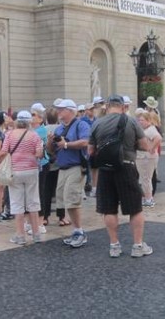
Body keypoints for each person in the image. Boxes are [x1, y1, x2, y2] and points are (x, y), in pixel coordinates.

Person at [89, 95, 153, 258]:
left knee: (109, 209)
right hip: (126, 166)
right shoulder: (130, 121)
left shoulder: (97, 123)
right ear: (123, 106)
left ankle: (114, 245)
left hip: (105, 170)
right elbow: (145, 146)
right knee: (135, 209)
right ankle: (138, 246)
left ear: (108, 106)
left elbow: (90, 151)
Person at [47, 99, 90, 248]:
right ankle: (76, 231)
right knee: (64, 200)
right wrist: (50, 142)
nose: (58, 112)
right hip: (63, 167)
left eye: (61, 109)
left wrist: (66, 144)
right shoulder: (59, 129)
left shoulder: (81, 125)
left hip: (76, 167)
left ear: (71, 111)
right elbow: (52, 151)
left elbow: (86, 142)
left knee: (72, 199)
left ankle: (79, 232)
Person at [0, 111, 44, 245]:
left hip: (16, 171)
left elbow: (4, 152)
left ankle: (20, 235)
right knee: (33, 202)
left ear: (17, 121)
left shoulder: (9, 134)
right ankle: (36, 234)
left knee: (17, 203)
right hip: (32, 170)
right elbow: (39, 154)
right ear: (29, 122)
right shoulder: (34, 135)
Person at [42, 106, 69, 226]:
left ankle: (45, 216)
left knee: (46, 191)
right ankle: (61, 217)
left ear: (46, 118)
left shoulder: (42, 130)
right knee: (60, 191)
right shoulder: (60, 128)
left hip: (46, 163)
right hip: (59, 163)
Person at [135, 111, 162, 207]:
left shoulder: (150, 129)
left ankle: (148, 199)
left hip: (146, 157)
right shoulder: (146, 129)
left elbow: (158, 138)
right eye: (139, 120)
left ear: (148, 121)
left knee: (146, 178)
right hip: (142, 157)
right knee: (144, 178)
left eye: (142, 120)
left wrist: (152, 148)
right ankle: (146, 197)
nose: (140, 122)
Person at [30, 103, 49, 231]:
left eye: (33, 115)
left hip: (41, 164)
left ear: (40, 118)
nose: (31, 117)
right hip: (35, 165)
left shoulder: (40, 131)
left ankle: (40, 222)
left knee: (39, 193)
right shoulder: (34, 131)